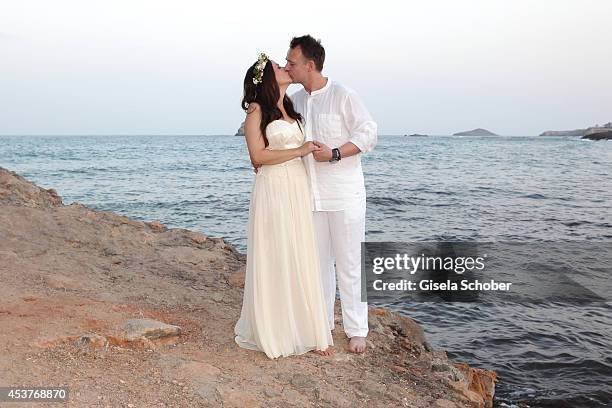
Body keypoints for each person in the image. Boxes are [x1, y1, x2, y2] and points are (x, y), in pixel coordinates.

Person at [234, 52, 334, 359]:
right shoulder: (256, 110)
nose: (286, 67)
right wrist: (300, 150)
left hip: (297, 187)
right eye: (280, 66)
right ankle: (276, 331)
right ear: (266, 77)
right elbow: (258, 157)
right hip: (274, 189)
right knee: (276, 253)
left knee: (299, 252)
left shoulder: (290, 106)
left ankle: (307, 329)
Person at [285, 35, 378, 353]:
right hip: (309, 196)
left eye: (292, 62)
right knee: (318, 264)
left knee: (350, 262)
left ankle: (357, 329)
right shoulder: (295, 100)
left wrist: (335, 153)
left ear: (310, 65)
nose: (288, 67)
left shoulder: (342, 95)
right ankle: (321, 324)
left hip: (344, 195)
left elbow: (368, 133)